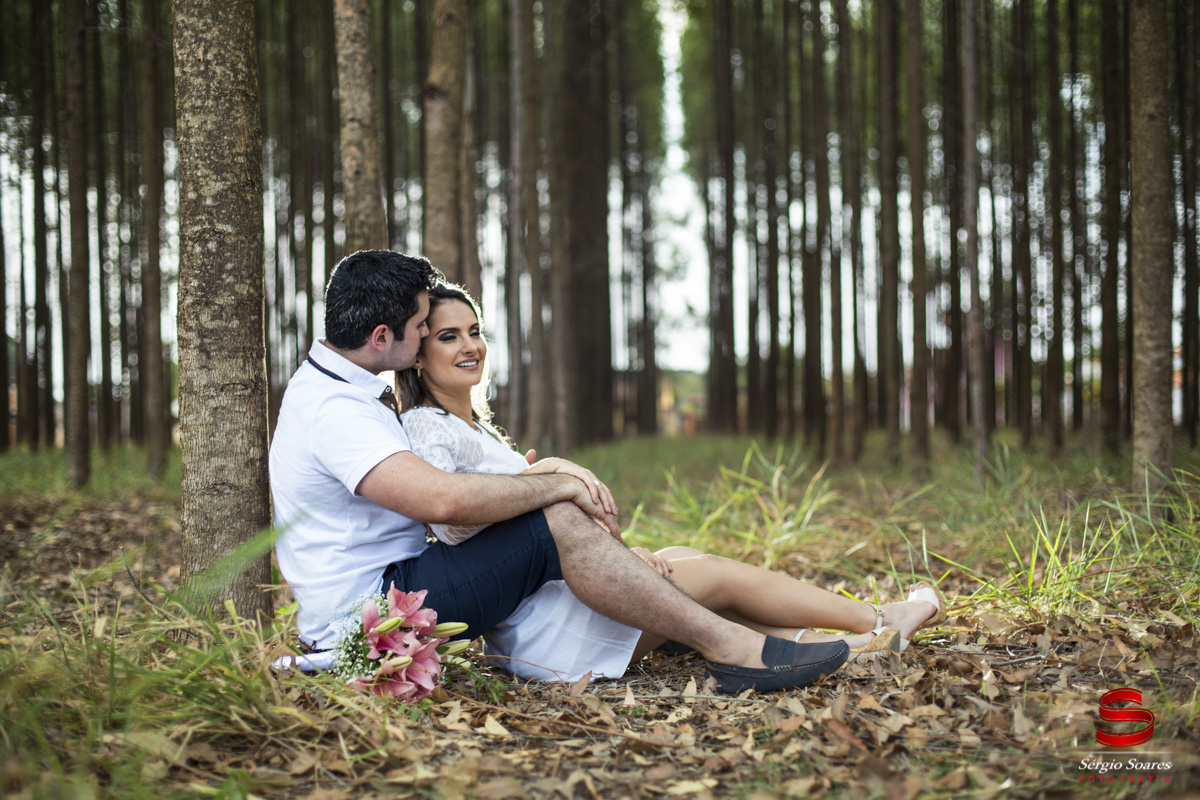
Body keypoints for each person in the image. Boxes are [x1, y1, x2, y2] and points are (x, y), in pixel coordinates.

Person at [269, 251, 922, 695]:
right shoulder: (336, 409)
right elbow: (438, 498)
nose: (436, 341)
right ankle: (748, 649)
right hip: (375, 610)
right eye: (425, 329)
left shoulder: (348, 394)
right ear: (384, 337)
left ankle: (853, 635)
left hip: (397, 591)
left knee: (679, 567)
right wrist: (551, 480)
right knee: (575, 520)